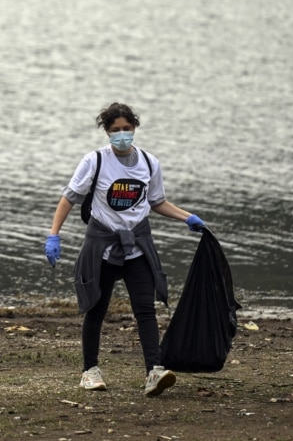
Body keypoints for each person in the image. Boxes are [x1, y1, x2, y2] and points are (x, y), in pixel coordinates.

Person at [44, 102, 205, 397]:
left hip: (137, 248)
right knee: (96, 309)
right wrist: (54, 235)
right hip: (103, 248)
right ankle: (90, 372)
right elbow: (69, 198)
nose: (121, 135)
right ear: (106, 132)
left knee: (145, 310)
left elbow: (156, 202)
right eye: (115, 130)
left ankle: (154, 372)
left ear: (135, 128)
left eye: (126, 129)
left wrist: (187, 217)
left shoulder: (148, 162)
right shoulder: (95, 161)